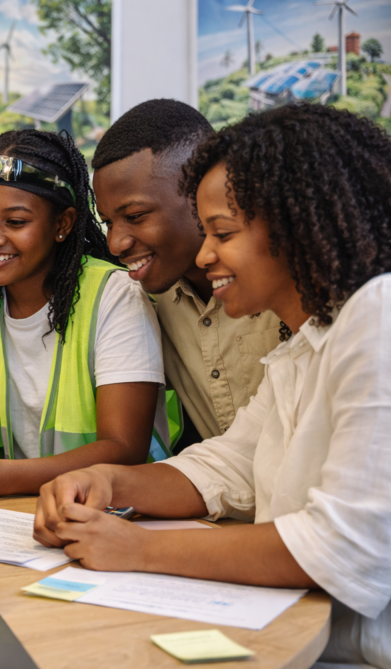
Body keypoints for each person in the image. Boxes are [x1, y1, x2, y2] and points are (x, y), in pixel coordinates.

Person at [35, 104, 391, 669]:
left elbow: (339, 547)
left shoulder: (377, 316)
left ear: (295, 223)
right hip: (298, 643)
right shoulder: (306, 342)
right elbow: (232, 460)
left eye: (223, 234)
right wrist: (110, 482)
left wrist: (138, 549)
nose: (205, 254)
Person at [0, 130, 170, 497]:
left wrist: (1, 477)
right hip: (17, 510)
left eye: (16, 222)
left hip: (115, 509)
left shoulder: (115, 294)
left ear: (62, 224)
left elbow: (124, 448)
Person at [91, 99, 282, 448]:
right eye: (107, 222)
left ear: (201, 194)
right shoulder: (145, 300)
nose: (115, 243)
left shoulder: (285, 286)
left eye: (135, 216)